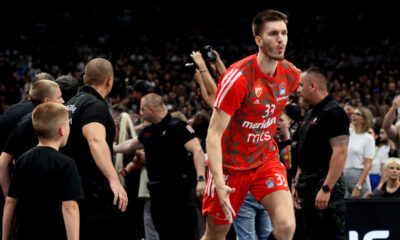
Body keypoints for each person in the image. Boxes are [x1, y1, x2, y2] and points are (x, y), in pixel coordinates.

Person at [201, 9, 299, 240]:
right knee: (215, 236)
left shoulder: (291, 75)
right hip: (229, 168)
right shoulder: (238, 78)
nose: (280, 39)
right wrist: (218, 180)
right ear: (259, 40)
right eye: (273, 33)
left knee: (286, 226)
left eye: (284, 33)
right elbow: (213, 135)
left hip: (265, 160)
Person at [113, 93, 206, 240]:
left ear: (150, 109)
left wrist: (201, 180)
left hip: (178, 194)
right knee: (163, 234)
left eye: (142, 109)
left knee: (183, 234)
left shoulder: (178, 126)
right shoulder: (149, 131)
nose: (140, 113)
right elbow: (131, 144)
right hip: (157, 195)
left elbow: (198, 151)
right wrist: (112, 149)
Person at [65, 57, 128, 240]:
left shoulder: (71, 103)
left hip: (72, 183)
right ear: (109, 81)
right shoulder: (95, 105)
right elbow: (95, 140)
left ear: (84, 79)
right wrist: (113, 179)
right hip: (91, 190)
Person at [2, 102, 83, 240]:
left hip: (24, 233)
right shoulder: (66, 164)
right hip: (53, 233)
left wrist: (5, 237)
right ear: (62, 130)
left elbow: (10, 202)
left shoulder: (22, 160)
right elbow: (70, 207)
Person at [293, 67, 349, 240]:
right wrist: (297, 183)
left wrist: (327, 188)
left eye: (301, 85)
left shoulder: (334, 112)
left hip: (324, 182)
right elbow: (304, 151)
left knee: (331, 235)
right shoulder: (311, 113)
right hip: (307, 184)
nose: (298, 90)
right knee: (313, 235)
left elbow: (340, 152)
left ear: (313, 86)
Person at [0, 79, 64, 198]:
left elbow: (4, 161)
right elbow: (3, 162)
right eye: (59, 97)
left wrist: (9, 198)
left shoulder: (23, 123)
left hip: (27, 197)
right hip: (39, 197)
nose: (63, 101)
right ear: (47, 101)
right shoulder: (27, 124)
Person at [343, 106, 375, 198]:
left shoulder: (368, 138)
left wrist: (358, 187)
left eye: (357, 114)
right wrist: (344, 112)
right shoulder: (349, 133)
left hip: (359, 178)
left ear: (365, 119)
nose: (353, 116)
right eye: (353, 114)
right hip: (345, 176)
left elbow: (368, 165)